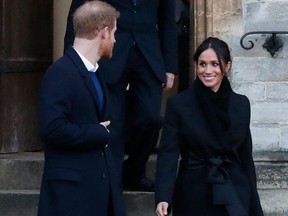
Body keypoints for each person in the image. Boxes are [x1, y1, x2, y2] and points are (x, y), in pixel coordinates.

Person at [64, 0, 178, 192]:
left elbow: (167, 22)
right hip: (110, 54)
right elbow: (76, 15)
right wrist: (72, 62)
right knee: (113, 122)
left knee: (151, 118)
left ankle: (134, 171)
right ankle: (112, 182)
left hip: (148, 55)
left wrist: (170, 67)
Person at [155, 37, 264, 216]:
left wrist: (255, 206)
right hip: (193, 192)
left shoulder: (241, 104)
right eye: (202, 64)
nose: (208, 70)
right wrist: (163, 196)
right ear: (196, 66)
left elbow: (245, 157)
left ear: (227, 66)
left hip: (234, 190)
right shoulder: (179, 105)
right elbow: (168, 153)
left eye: (215, 64)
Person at [37, 2, 126, 216]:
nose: (115, 40)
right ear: (103, 32)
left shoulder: (96, 74)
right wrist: (98, 132)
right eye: (114, 33)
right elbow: (52, 128)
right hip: (70, 198)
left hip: (98, 194)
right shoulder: (60, 72)